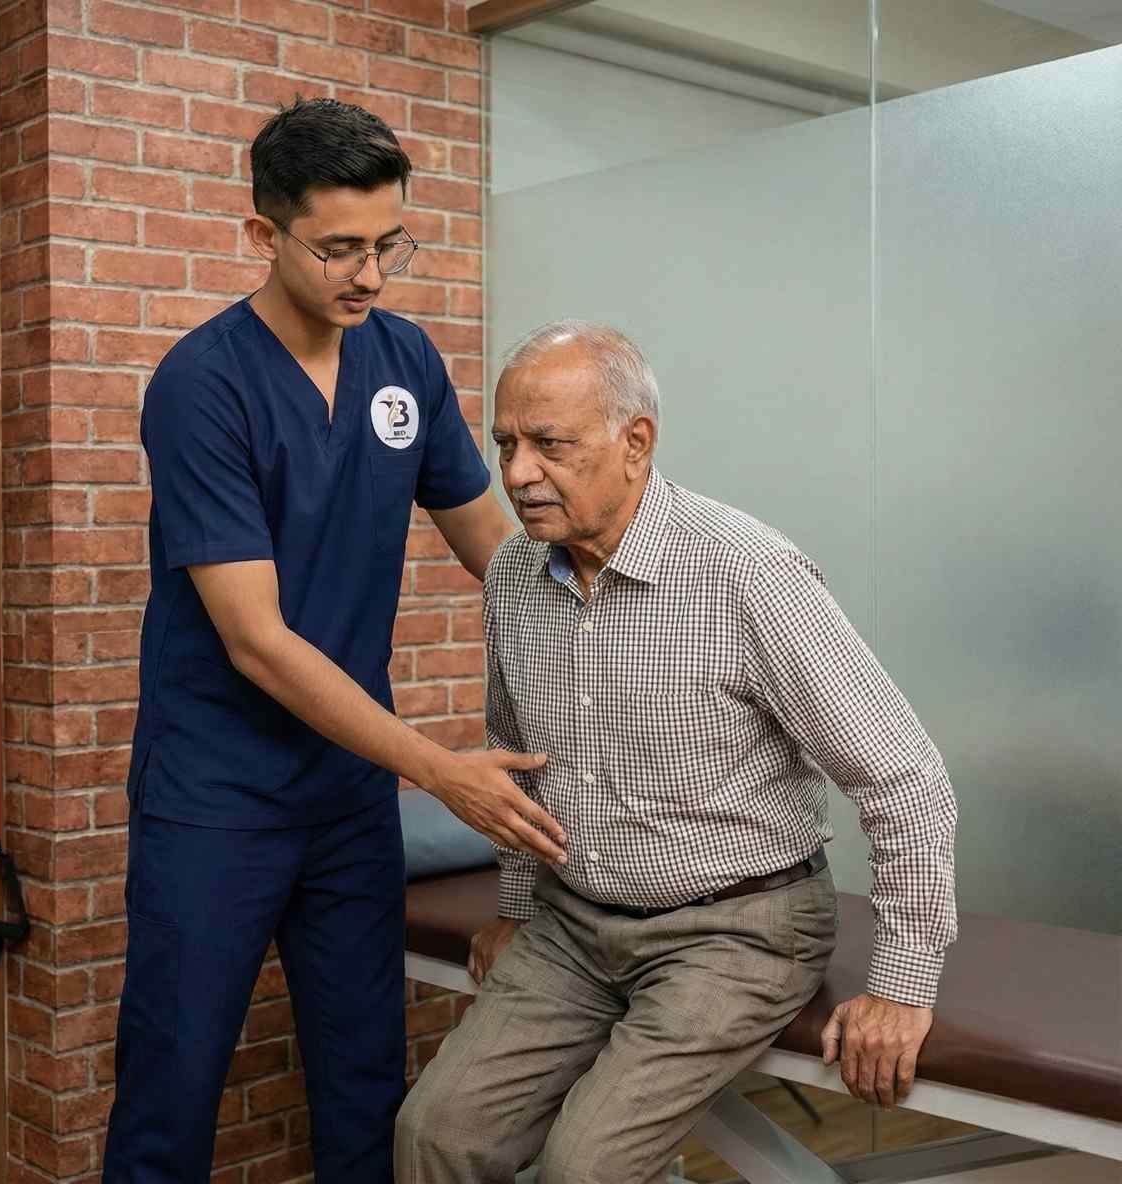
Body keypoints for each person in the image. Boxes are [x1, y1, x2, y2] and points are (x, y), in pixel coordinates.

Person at [102, 99, 568, 1184]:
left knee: (366, 1087)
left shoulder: (400, 357)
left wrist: (604, 619)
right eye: (340, 248)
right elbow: (256, 641)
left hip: (345, 799)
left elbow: (490, 542)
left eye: (387, 243)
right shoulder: (201, 385)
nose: (369, 274)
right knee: (171, 1092)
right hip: (214, 798)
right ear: (264, 236)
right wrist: (438, 768)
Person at [395, 321, 958, 1183]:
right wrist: (516, 902)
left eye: (550, 444)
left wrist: (903, 982)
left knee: (586, 1170)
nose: (515, 475)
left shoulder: (745, 572)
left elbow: (904, 779)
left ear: (636, 442)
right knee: (435, 1134)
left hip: (739, 930)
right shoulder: (514, 575)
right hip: (573, 926)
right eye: (506, 444)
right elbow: (517, 755)